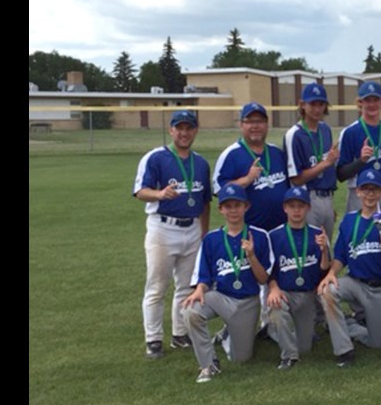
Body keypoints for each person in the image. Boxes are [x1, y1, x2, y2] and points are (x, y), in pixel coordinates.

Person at [133, 110, 212, 359]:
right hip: (163, 228)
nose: (185, 132)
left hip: (191, 228)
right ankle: (153, 339)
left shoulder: (200, 163)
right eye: (180, 128)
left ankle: (180, 334)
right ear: (171, 130)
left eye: (189, 128)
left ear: (196, 130)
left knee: (185, 287)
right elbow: (139, 191)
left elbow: (206, 201)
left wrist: (204, 233)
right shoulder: (156, 157)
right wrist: (159, 194)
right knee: (157, 287)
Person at [182, 183, 272, 383]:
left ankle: (226, 335)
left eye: (237, 205)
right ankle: (208, 364)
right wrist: (199, 290)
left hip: (248, 301)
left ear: (246, 207)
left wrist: (251, 256)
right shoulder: (211, 239)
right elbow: (204, 275)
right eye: (228, 206)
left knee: (241, 358)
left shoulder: (259, 235)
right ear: (220, 209)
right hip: (221, 296)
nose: (233, 210)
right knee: (190, 311)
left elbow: (263, 279)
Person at [317, 169, 381, 366]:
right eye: (365, 189)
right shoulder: (349, 220)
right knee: (327, 291)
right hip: (354, 282)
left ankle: (350, 323)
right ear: (357, 192)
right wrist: (330, 274)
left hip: (380, 287)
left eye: (374, 190)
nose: (370, 194)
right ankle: (344, 351)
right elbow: (340, 256)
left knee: (377, 344)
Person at [266, 186, 331, 369]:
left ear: (308, 208)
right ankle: (289, 356)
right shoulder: (274, 235)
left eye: (300, 206)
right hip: (285, 292)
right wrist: (273, 288)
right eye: (292, 206)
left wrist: (324, 250)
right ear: (285, 208)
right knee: (276, 307)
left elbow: (324, 271)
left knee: (305, 348)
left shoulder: (317, 234)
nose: (296, 210)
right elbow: (269, 271)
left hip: (308, 295)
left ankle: (275, 331)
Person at [212, 102, 288, 231]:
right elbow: (220, 190)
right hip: (250, 231)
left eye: (260, 121)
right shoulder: (231, 155)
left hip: (280, 231)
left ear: (267, 124)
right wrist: (247, 179)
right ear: (242, 124)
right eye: (250, 121)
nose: (255, 126)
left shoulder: (277, 153)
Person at [337, 81, 381, 215]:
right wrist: (361, 160)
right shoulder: (350, 132)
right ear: (360, 103)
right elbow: (341, 174)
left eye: (376, 100)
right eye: (367, 100)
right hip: (359, 197)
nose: (372, 104)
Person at [283, 83, 338, 239]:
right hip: (307, 198)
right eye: (312, 104)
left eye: (321, 104)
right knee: (311, 248)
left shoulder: (325, 129)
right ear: (302, 105)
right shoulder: (294, 134)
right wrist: (325, 163)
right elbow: (296, 177)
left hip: (327, 195)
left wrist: (329, 206)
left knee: (326, 248)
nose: (317, 109)